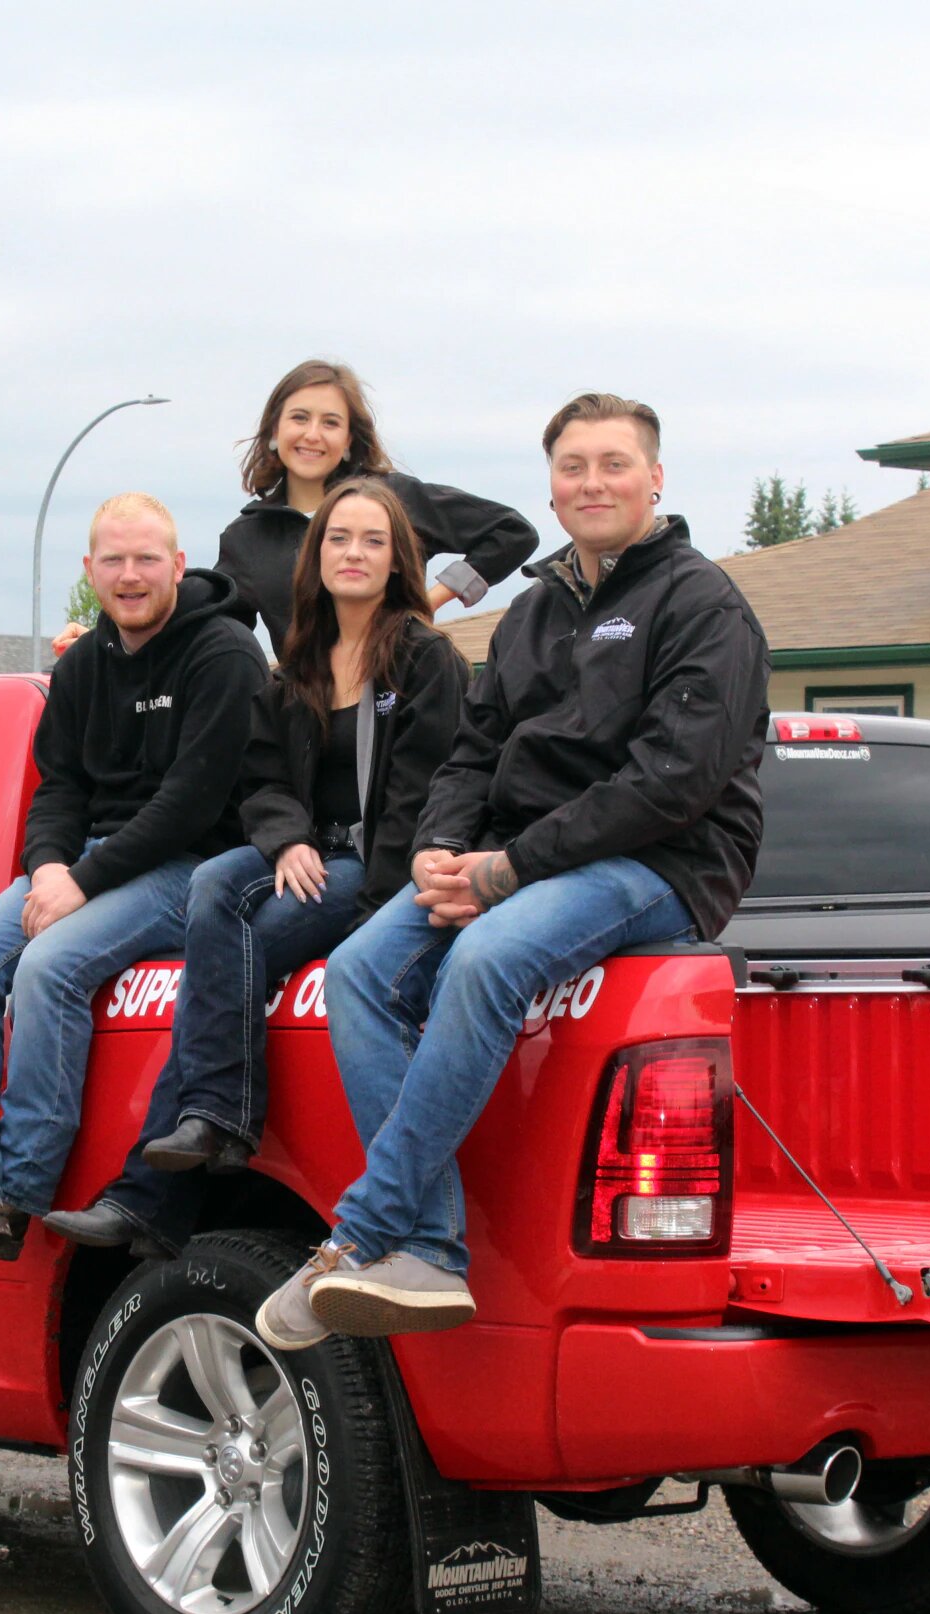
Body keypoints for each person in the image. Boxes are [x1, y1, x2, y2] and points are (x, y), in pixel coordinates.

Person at [254, 392, 771, 1350]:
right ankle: (431, 1249)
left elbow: (671, 783)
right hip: (514, 860)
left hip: (661, 860)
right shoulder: (533, 613)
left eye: (614, 464)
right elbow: (470, 753)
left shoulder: (702, 604)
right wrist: (441, 853)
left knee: (486, 961)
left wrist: (508, 871)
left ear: (655, 478)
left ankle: (366, 1231)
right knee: (360, 971)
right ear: (552, 483)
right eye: (573, 467)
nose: (592, 484)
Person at [43, 477, 467, 1256]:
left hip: (374, 868)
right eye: (339, 538)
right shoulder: (299, 658)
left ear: (398, 557)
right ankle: (213, 1122)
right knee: (213, 889)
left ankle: (158, 1182)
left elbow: (426, 796)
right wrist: (285, 839)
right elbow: (262, 778)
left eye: (374, 540)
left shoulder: (424, 659)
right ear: (316, 556)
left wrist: (380, 910)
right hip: (304, 854)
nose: (354, 553)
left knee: (220, 971)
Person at [0, 493, 265, 1257]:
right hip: (86, 864)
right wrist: (48, 866)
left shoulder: (223, 654)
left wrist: (82, 880)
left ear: (178, 565)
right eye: (114, 560)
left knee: (50, 965)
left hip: (191, 863)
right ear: (90, 570)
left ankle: (15, 1192)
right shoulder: (83, 665)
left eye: (147, 559)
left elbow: (191, 801)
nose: (130, 575)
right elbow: (59, 787)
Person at [51, 359, 538, 657]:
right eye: (299, 418)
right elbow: (201, 612)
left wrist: (425, 602)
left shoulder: (394, 500)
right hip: (310, 721)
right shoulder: (246, 539)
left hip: (404, 705)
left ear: (349, 440)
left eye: (330, 423)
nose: (312, 435)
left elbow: (512, 533)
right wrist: (102, 636)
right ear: (273, 431)